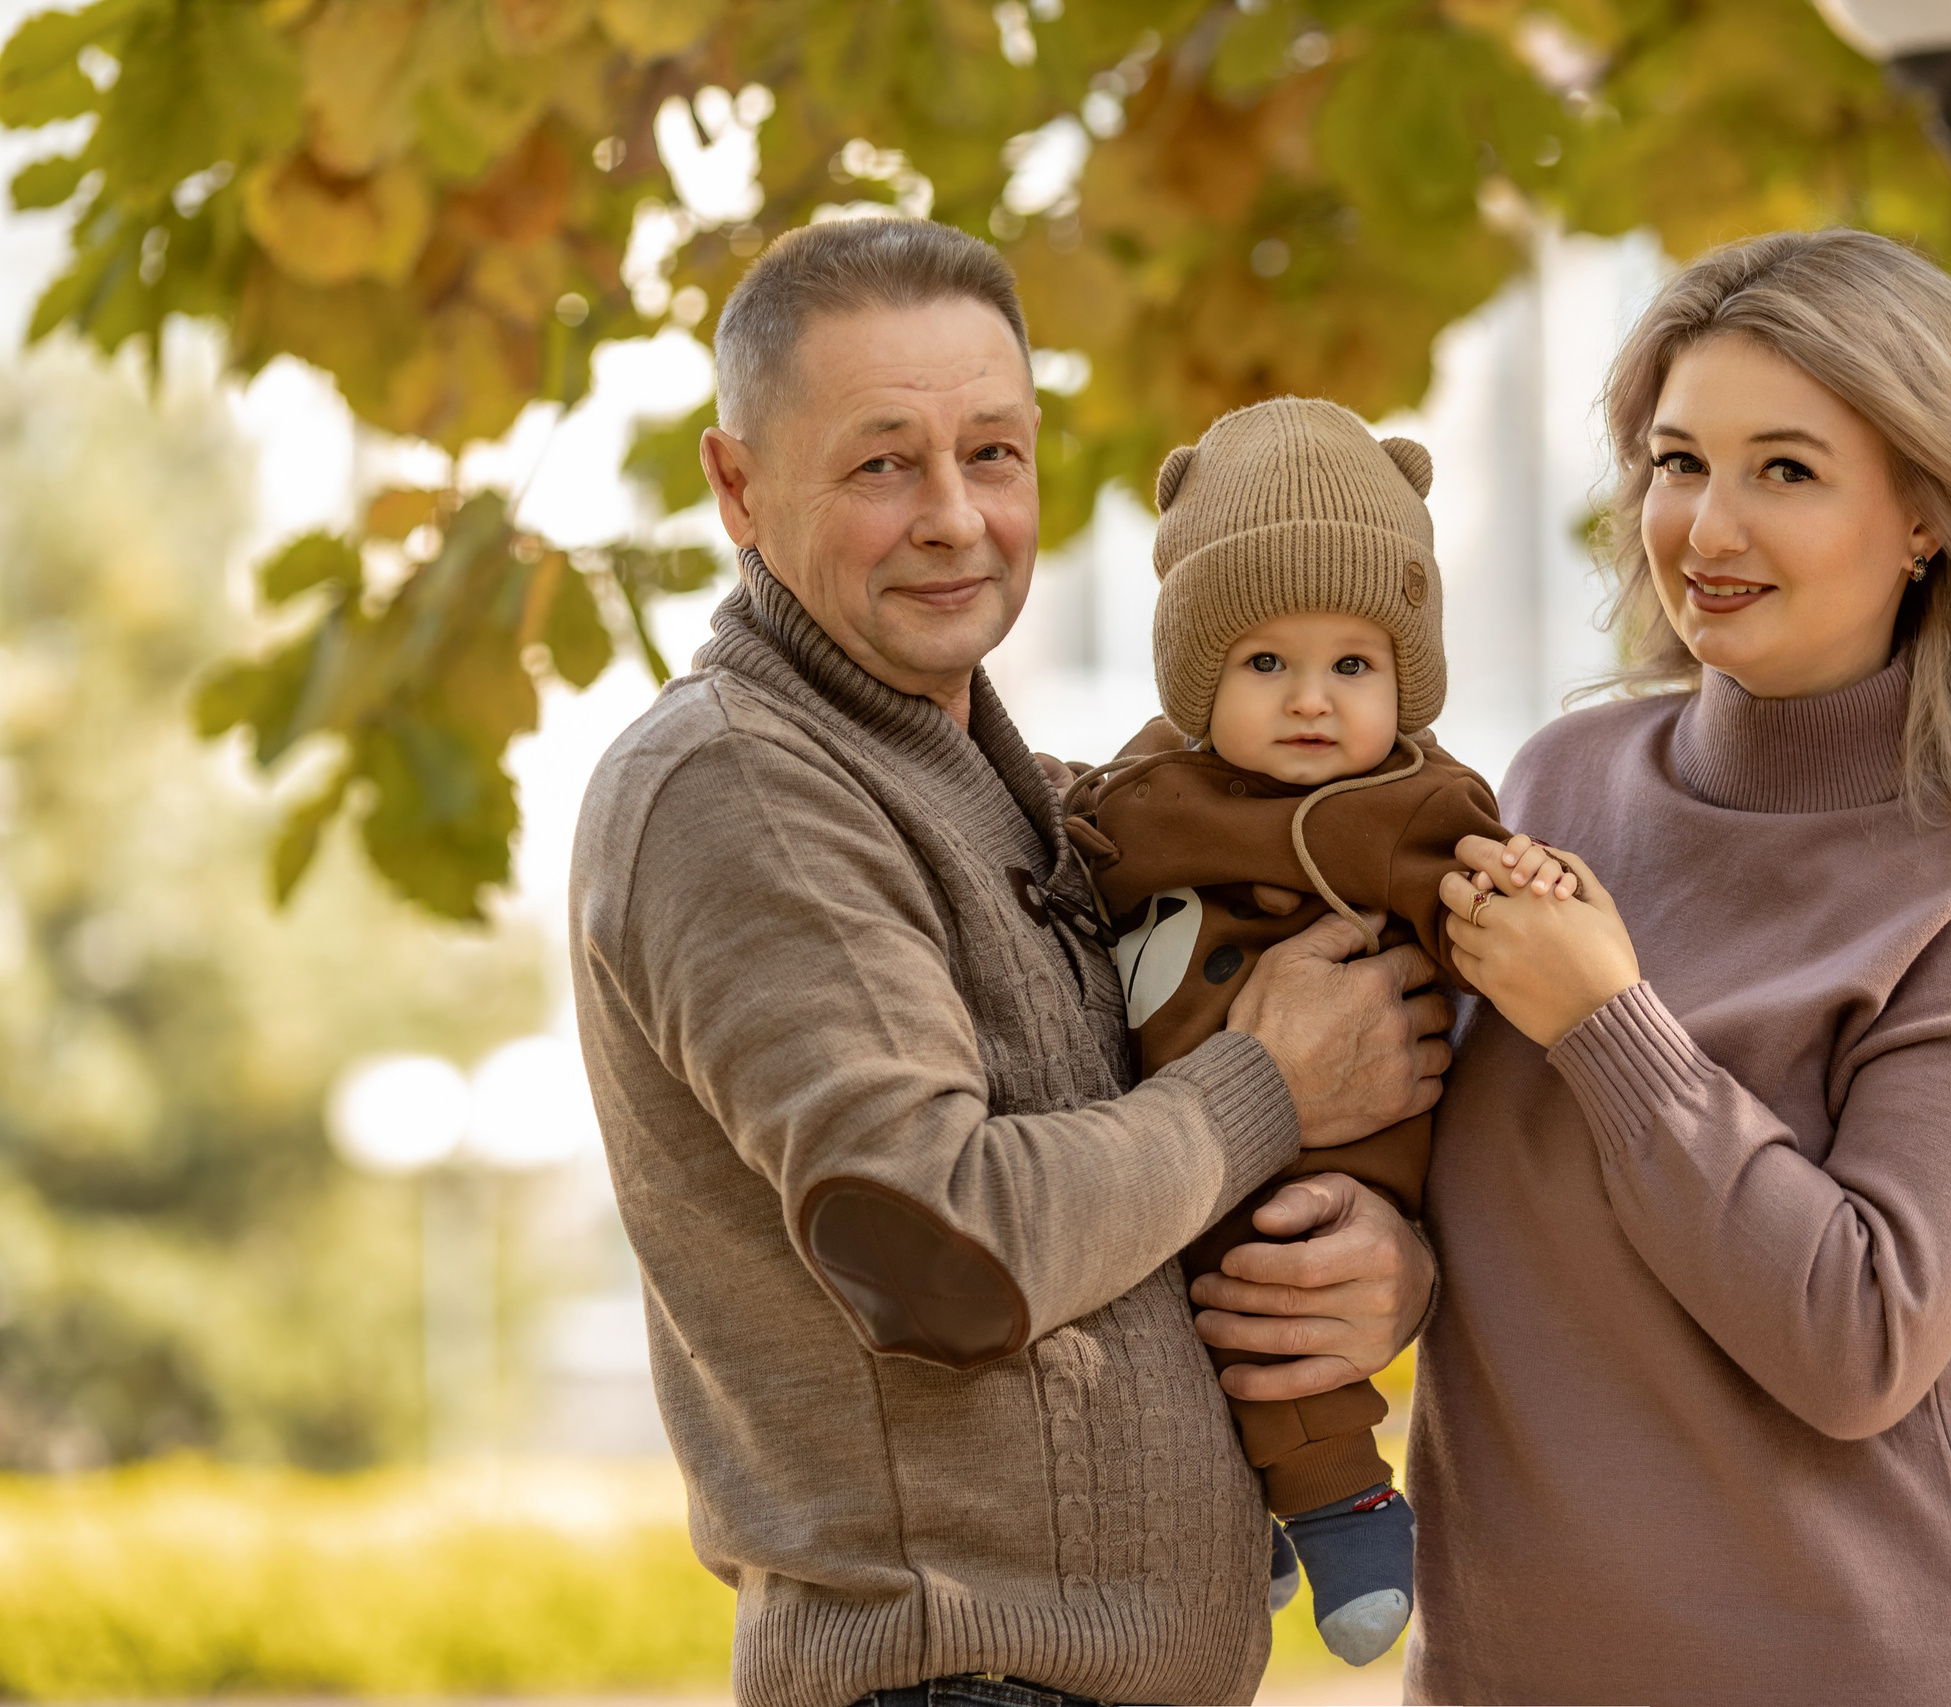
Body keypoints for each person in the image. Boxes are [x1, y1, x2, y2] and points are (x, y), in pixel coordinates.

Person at [567, 218, 1441, 1707]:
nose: (957, 518)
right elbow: (942, 1243)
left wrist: (1378, 1267)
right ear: (738, 484)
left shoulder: (1020, 790)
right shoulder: (745, 786)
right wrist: (1268, 1083)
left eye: (993, 452)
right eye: (881, 461)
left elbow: (1148, 1194)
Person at [1405, 228, 1951, 1705]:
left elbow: (1858, 1338)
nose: (1707, 528)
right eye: (1680, 462)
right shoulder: (1553, 785)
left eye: (1784, 470)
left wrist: (1610, 1023)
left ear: (1922, 509)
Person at [1061, 397, 1570, 1667]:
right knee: (1174, 1317)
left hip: (1336, 1152)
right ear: (1196, 677)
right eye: (1262, 664)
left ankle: (1344, 1505)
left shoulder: (1408, 802)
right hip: (1175, 1133)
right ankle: (1259, 1520)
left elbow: (1480, 897)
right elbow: (1070, 857)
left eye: (1352, 664)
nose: (1310, 702)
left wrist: (1531, 896)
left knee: (1278, 1297)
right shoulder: (1140, 791)